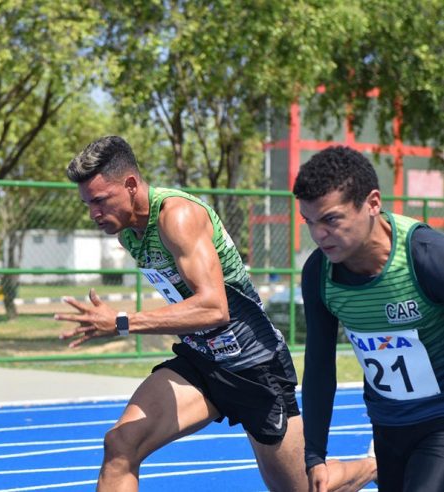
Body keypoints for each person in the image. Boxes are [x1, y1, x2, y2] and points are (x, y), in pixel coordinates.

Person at [55, 136, 376, 491]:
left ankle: (376, 465)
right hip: (202, 361)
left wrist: (121, 322)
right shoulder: (129, 233)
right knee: (120, 445)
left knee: (309, 488)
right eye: (88, 204)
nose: (94, 214)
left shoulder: (177, 216)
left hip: (254, 365)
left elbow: (213, 307)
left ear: (131, 185)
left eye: (100, 200)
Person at [294, 145, 444, 491]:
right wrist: (315, 455)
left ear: (372, 203)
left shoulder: (427, 258)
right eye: (309, 222)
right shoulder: (319, 274)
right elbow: (319, 366)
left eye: (331, 219)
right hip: (387, 424)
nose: (318, 235)